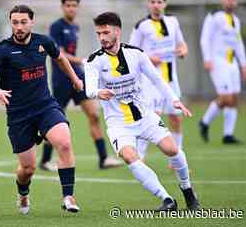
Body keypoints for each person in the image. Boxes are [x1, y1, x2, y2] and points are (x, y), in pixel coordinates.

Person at [84, 12, 200, 210]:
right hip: (118, 123)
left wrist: (174, 100)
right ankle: (166, 199)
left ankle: (187, 189)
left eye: (106, 32)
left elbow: (157, 79)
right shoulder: (94, 60)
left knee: (172, 150)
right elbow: (89, 88)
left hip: (145, 116)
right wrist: (97, 92)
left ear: (117, 31)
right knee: (130, 156)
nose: (102, 37)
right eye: (99, 33)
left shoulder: (136, 54)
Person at [0, 5, 82, 214]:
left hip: (45, 106)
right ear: (11, 23)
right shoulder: (3, 49)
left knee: (64, 143)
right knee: (28, 169)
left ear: (32, 22)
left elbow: (61, 58)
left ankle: (68, 196)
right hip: (19, 115)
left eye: (23, 22)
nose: (19, 27)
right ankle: (23, 193)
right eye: (15, 22)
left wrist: (75, 79)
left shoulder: (43, 42)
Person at [39, 0, 122, 172]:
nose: (71, 8)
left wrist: (80, 65)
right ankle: (45, 160)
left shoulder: (75, 27)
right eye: (68, 5)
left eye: (74, 5)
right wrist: (81, 60)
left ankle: (103, 158)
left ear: (78, 7)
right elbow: (59, 54)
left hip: (78, 77)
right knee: (55, 121)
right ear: (63, 7)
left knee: (94, 115)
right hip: (62, 79)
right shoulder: (56, 27)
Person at [129, 0, 188, 163]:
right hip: (150, 82)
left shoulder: (173, 22)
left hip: (170, 79)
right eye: (153, 2)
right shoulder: (142, 26)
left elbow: (182, 44)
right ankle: (140, 157)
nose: (156, 5)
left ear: (165, 3)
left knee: (176, 117)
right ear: (148, 4)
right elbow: (132, 52)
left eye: (159, 2)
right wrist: (148, 57)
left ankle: (176, 158)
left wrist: (183, 51)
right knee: (151, 116)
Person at [199, 0, 246, 144]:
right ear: (222, 0)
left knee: (233, 99)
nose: (230, 1)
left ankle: (228, 135)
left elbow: (238, 44)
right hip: (218, 62)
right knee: (226, 97)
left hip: (232, 63)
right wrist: (207, 58)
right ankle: (205, 121)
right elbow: (205, 38)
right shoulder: (214, 16)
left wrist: (244, 64)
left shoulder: (236, 20)